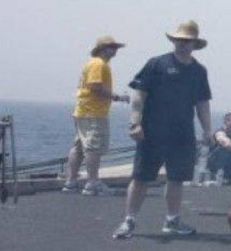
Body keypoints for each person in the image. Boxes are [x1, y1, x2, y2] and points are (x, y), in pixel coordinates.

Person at [114, 20, 212, 239]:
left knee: (176, 178)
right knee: (141, 177)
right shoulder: (156, 64)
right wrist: (135, 122)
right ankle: (128, 220)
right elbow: (139, 93)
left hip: (182, 134)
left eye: (187, 40)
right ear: (173, 40)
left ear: (195, 43)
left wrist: (207, 130)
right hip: (152, 132)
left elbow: (202, 103)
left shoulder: (199, 71)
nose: (182, 43)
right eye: (179, 39)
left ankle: (172, 221)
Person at [62, 36, 129, 196]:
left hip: (84, 110)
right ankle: (92, 183)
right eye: (112, 47)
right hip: (93, 111)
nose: (115, 50)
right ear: (103, 48)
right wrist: (117, 97)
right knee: (93, 147)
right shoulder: (98, 64)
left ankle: (71, 182)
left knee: (79, 147)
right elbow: (95, 87)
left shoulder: (95, 63)